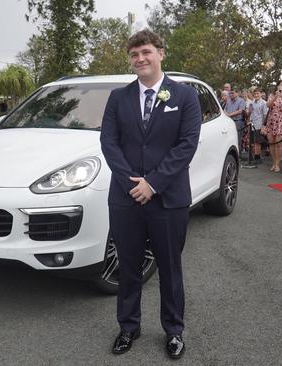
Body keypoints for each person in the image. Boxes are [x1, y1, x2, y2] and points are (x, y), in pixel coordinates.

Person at [100, 29, 201, 359]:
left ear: (161, 53)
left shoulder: (184, 96)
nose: (140, 58)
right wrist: (133, 184)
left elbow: (186, 145)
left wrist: (153, 183)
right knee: (128, 266)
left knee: (170, 267)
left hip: (168, 199)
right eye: (133, 54)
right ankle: (128, 326)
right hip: (125, 198)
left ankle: (174, 330)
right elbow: (109, 143)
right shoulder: (118, 98)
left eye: (145, 51)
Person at [264, 80, 282, 172]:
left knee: (278, 144)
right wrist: (276, 96)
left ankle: (277, 164)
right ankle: (274, 162)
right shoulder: (272, 95)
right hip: (271, 121)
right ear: (277, 86)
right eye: (281, 84)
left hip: (281, 121)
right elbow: (268, 105)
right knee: (272, 143)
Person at [247, 87, 268, 162]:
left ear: (260, 94)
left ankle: (257, 157)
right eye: (255, 94)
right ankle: (256, 156)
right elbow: (250, 113)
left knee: (257, 142)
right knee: (253, 142)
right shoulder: (252, 103)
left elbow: (265, 115)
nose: (256, 95)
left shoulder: (264, 103)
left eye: (257, 93)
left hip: (259, 124)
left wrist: (263, 126)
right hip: (253, 124)